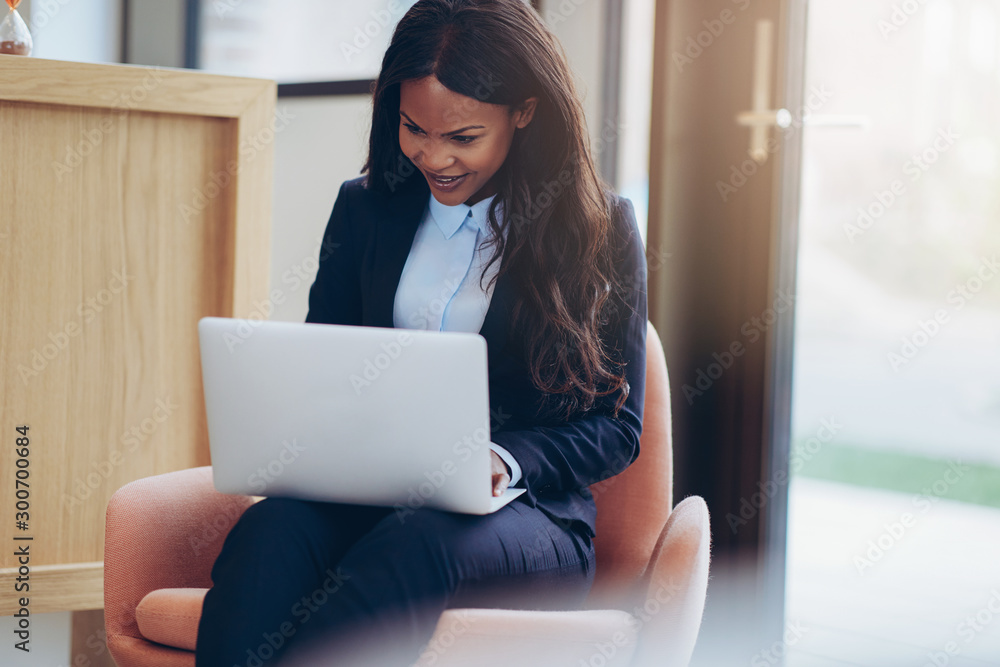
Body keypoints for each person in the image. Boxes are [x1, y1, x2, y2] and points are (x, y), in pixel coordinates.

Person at [194, 0, 648, 664]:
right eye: (414, 128)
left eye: (463, 137)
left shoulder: (600, 230)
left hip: (529, 518)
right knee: (271, 530)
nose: (434, 156)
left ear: (523, 112)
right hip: (367, 493)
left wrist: (502, 460)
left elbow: (618, 427)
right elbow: (326, 357)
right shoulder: (366, 208)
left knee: (417, 543)